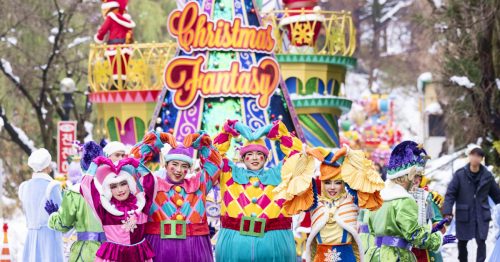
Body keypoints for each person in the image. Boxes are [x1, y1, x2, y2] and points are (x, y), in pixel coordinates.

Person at [213, 119, 303, 261]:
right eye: (249, 154)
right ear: (242, 158)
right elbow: (214, 155)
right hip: (236, 245)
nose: (254, 157)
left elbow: (297, 155)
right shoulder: (230, 174)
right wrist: (229, 129)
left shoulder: (280, 174)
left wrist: (277, 131)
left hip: (274, 243)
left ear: (266, 157)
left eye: (259, 153)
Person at [130, 130, 222, 262]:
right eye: (174, 164)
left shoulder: (199, 185)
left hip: (194, 247)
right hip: (159, 245)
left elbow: (216, 165)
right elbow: (130, 166)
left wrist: (202, 144)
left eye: (184, 166)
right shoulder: (151, 184)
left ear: (189, 168)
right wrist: (154, 141)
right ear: (165, 165)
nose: (179, 170)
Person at [365, 141, 456, 262]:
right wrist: (438, 240)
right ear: (405, 176)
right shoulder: (404, 200)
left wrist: (430, 230)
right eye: (414, 176)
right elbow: (415, 236)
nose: (415, 181)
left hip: (376, 255)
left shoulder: (378, 197)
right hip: (397, 256)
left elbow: (372, 230)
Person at [294, 146, 385, 262]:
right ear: (322, 183)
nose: (332, 187)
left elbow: (368, 179)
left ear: (343, 183)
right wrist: (304, 157)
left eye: (337, 183)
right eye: (327, 182)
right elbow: (294, 182)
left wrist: (350, 153)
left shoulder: (352, 200)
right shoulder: (314, 202)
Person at [80, 156, 155, 262]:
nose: (120, 190)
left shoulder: (142, 204)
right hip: (114, 256)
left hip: (139, 255)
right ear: (108, 189)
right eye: (114, 186)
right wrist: (95, 164)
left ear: (129, 185)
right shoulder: (104, 209)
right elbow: (85, 187)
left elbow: (151, 182)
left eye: (123, 184)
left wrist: (135, 163)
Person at [46, 141, 106, 262]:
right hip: (111, 250)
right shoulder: (114, 189)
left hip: (85, 252)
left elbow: (64, 224)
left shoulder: (75, 192)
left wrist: (53, 215)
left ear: (82, 165)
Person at [442, 145, 500, 262]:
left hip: (481, 215)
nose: (475, 158)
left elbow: (497, 195)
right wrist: (447, 211)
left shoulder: (487, 176)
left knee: (481, 241)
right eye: (473, 155)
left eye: (478, 155)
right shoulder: (459, 175)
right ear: (469, 156)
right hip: (464, 214)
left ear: (482, 159)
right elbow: (450, 194)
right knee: (462, 243)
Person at [19, 148, 64, 262]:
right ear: (47, 166)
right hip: (49, 237)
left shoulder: (25, 187)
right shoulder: (52, 186)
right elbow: (62, 215)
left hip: (31, 236)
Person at [94, 0, 135, 89]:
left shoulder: (111, 17)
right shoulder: (127, 20)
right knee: (123, 66)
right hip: (126, 46)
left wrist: (99, 38)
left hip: (114, 46)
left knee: (115, 66)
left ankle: (116, 85)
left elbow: (103, 30)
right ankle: (123, 84)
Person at [409, 173, 447, 262]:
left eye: (417, 176)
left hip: (427, 250)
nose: (415, 179)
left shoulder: (427, 197)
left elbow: (438, 223)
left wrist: (436, 227)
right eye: (412, 176)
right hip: (406, 250)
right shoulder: (398, 198)